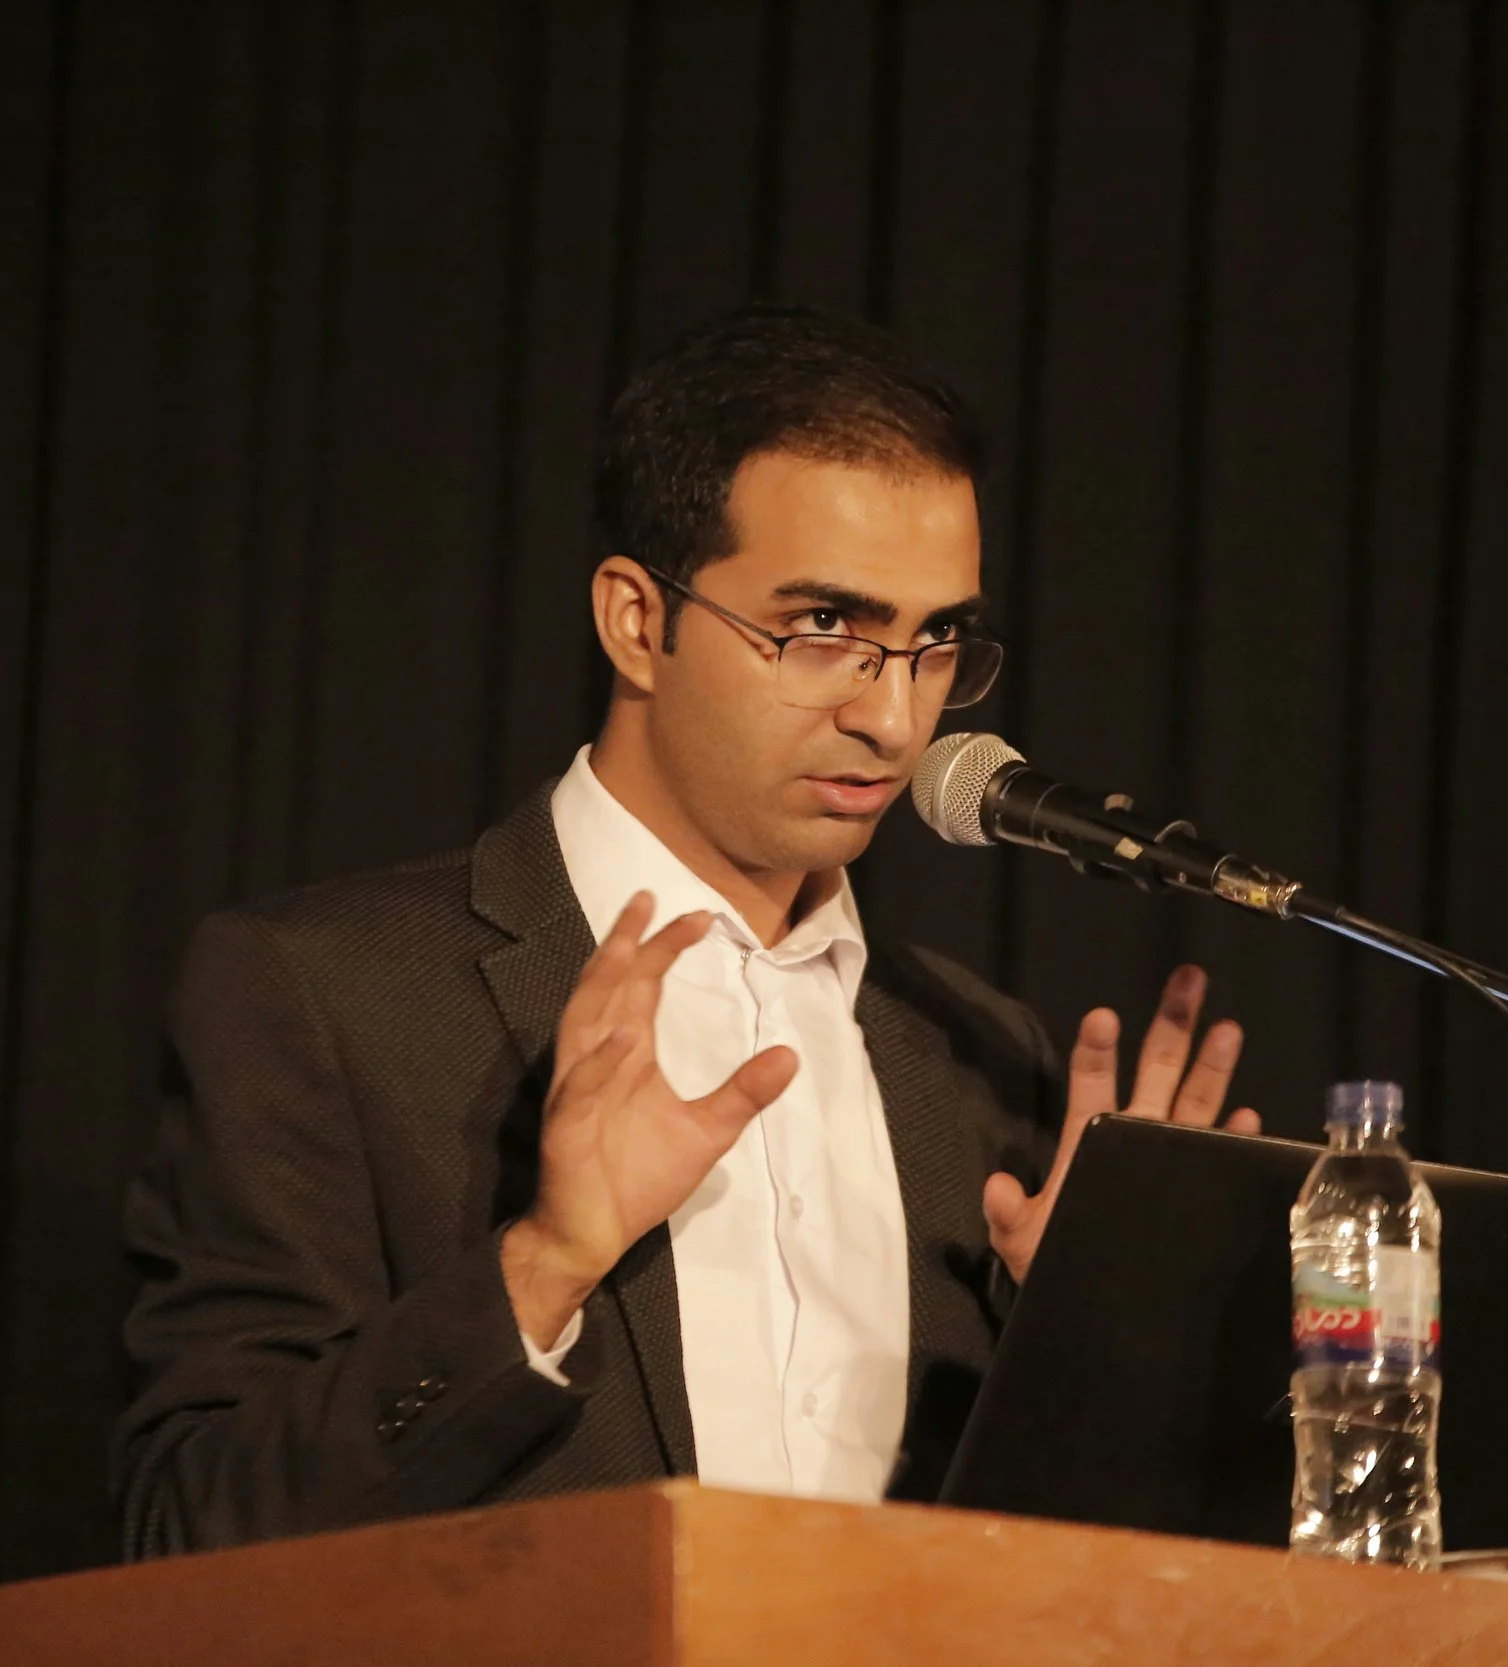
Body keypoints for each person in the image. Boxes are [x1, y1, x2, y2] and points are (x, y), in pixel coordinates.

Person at [113, 303, 1259, 1556]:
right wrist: (541, 1265)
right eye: (825, 629)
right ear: (634, 620)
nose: (891, 718)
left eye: (934, 643)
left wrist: (1100, 1361)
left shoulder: (979, 1055)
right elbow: (189, 1524)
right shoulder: (325, 994)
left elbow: (1047, 1578)